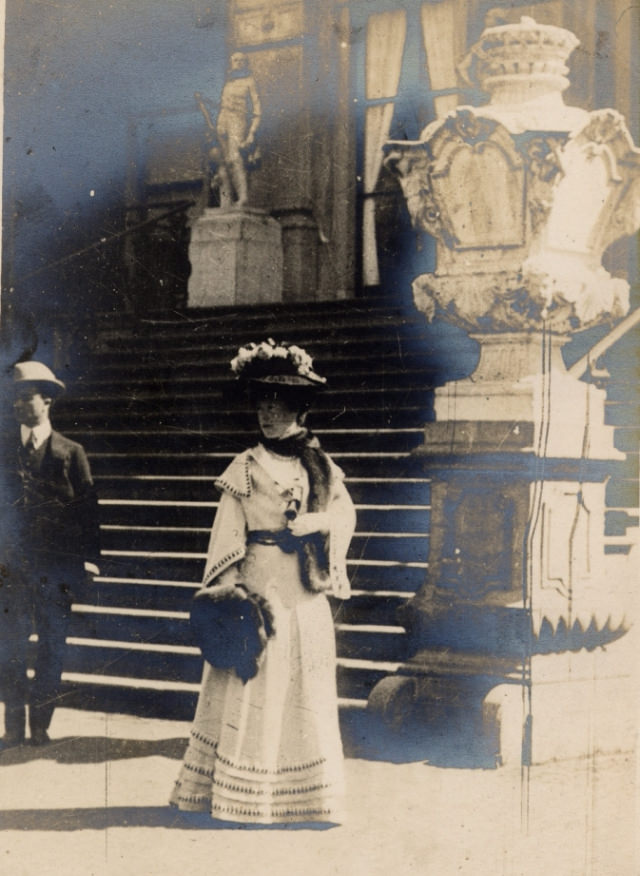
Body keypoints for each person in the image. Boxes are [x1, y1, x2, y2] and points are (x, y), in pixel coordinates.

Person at [171, 339, 356, 824]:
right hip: (259, 582)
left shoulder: (319, 464)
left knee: (303, 683)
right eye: (263, 404)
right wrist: (231, 597)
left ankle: (306, 796)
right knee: (258, 680)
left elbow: (344, 513)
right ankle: (245, 795)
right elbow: (227, 532)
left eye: (279, 405)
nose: (269, 414)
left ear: (298, 408)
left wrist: (318, 525)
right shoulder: (246, 466)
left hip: (303, 590)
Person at [0, 361, 100, 748]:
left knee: (52, 648)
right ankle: (12, 726)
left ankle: (40, 724)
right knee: (8, 646)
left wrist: (89, 559)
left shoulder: (71, 452)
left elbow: (89, 509)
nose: (20, 406)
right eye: (14, 400)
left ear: (47, 401)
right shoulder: (5, 452)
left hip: (57, 570)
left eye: (27, 398)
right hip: (10, 570)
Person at [215, 51, 261, 206]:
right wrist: (220, 124)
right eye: (235, 60)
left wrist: (252, 133)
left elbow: (257, 111)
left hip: (239, 121)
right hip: (224, 122)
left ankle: (243, 197)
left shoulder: (250, 82)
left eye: (242, 60)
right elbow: (223, 106)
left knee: (235, 158)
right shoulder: (228, 84)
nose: (238, 63)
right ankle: (225, 202)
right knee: (223, 161)